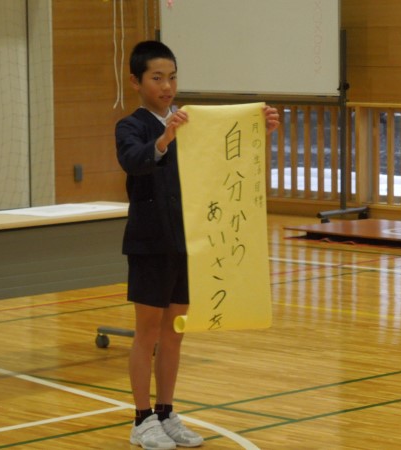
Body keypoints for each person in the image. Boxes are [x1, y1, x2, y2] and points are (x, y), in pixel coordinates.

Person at [115, 40, 280, 450]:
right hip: (150, 244)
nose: (167, 87)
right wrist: (165, 138)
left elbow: (224, 159)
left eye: (172, 78)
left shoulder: (192, 123)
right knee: (147, 333)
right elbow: (133, 160)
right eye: (157, 78)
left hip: (187, 243)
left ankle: (166, 412)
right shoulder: (131, 126)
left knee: (174, 333)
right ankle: (142, 419)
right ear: (136, 81)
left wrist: (258, 131)